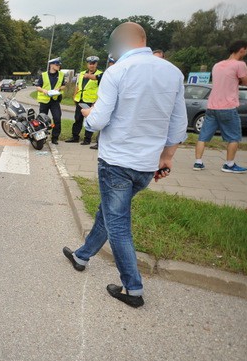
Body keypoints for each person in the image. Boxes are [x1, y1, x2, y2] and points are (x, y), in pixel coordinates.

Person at [62, 22, 187, 308]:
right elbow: (179, 125)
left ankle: (133, 289)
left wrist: (88, 114)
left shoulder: (117, 72)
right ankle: (82, 256)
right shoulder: (172, 72)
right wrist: (166, 158)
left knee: (118, 225)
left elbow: (98, 121)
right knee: (108, 212)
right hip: (145, 165)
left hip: (117, 162)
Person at [193, 40, 247, 173]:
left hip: (212, 106)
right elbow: (246, 82)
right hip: (228, 106)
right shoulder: (240, 64)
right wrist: (245, 77)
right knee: (234, 137)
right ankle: (229, 165)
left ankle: (198, 162)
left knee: (203, 136)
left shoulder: (217, 65)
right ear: (241, 50)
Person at [66, 55, 102, 145]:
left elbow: (102, 89)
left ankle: (87, 139)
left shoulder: (99, 75)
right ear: (87, 64)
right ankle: (75, 137)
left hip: (91, 101)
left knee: (89, 120)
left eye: (93, 64)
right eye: (90, 63)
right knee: (77, 119)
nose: (92, 65)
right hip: (80, 99)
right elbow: (78, 86)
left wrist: (97, 101)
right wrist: (74, 96)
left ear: (96, 64)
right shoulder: (82, 74)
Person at [35, 57, 65, 144]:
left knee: (57, 118)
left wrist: (59, 88)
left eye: (59, 65)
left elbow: (63, 85)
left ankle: (55, 138)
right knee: (42, 120)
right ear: (51, 65)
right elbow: (38, 86)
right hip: (44, 101)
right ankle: (41, 137)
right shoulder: (43, 75)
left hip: (54, 100)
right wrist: (43, 90)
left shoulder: (61, 75)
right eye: (57, 64)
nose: (58, 66)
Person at [89, 57, 115, 150]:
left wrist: (87, 76)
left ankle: (102, 143)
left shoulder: (114, 73)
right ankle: (99, 142)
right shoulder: (107, 73)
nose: (110, 65)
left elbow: (95, 77)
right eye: (110, 63)